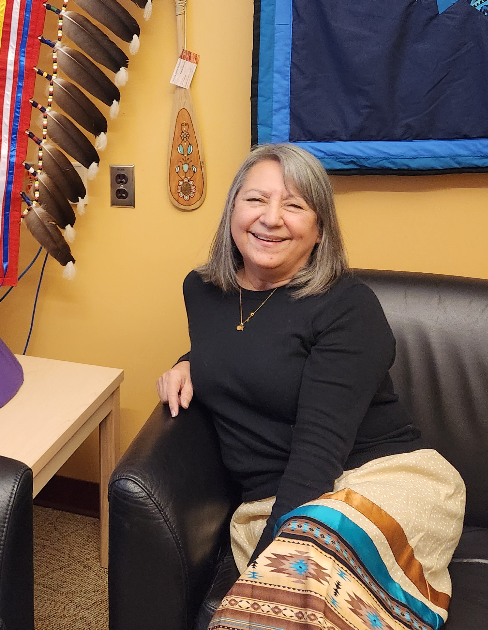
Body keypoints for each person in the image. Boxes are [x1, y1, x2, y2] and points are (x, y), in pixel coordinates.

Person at [156, 143, 465, 630]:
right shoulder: (203, 290)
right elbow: (244, 347)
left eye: (295, 205)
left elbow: (318, 454)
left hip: (380, 482)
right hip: (273, 503)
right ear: (232, 209)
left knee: (274, 610)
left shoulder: (349, 308)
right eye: (255, 199)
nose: (271, 218)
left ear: (320, 230)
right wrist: (190, 361)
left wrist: (266, 566)